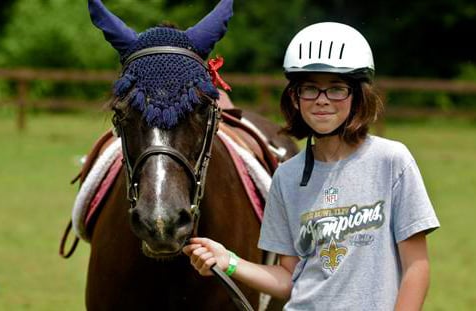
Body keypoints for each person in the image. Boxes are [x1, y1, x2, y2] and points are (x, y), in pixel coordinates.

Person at [183, 22, 440, 310]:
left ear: (358, 95)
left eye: (336, 89)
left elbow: (416, 267)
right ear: (295, 96)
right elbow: (288, 278)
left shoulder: (392, 161)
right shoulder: (286, 176)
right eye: (310, 89)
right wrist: (229, 261)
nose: (322, 100)